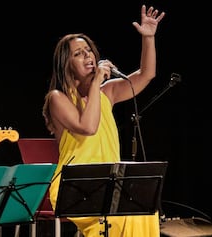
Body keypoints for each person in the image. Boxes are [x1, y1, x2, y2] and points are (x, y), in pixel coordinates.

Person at [42, 5, 165, 237]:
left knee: (145, 212)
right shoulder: (58, 98)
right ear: (66, 64)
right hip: (75, 184)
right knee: (121, 220)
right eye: (78, 53)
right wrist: (98, 80)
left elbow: (146, 74)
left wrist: (149, 38)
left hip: (110, 182)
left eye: (88, 50)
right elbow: (88, 127)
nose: (88, 55)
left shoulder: (107, 92)